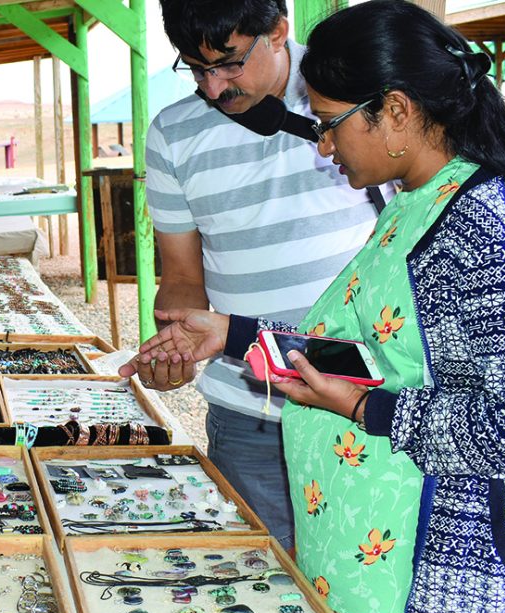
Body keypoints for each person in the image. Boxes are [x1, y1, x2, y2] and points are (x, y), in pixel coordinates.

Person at [132, 1, 505, 613]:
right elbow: (377, 352)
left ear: (396, 111)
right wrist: (233, 334)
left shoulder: (488, 221)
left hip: (453, 567)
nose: (322, 144)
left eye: (330, 124)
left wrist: (359, 408)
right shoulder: (416, 204)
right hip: (394, 554)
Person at [126, 0, 382, 550]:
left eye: (229, 63)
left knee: (363, 574)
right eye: (196, 69)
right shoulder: (173, 133)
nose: (214, 88)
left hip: (362, 399)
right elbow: (182, 274)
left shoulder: (358, 90)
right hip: (250, 408)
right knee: (265, 580)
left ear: (278, 32)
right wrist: (175, 343)